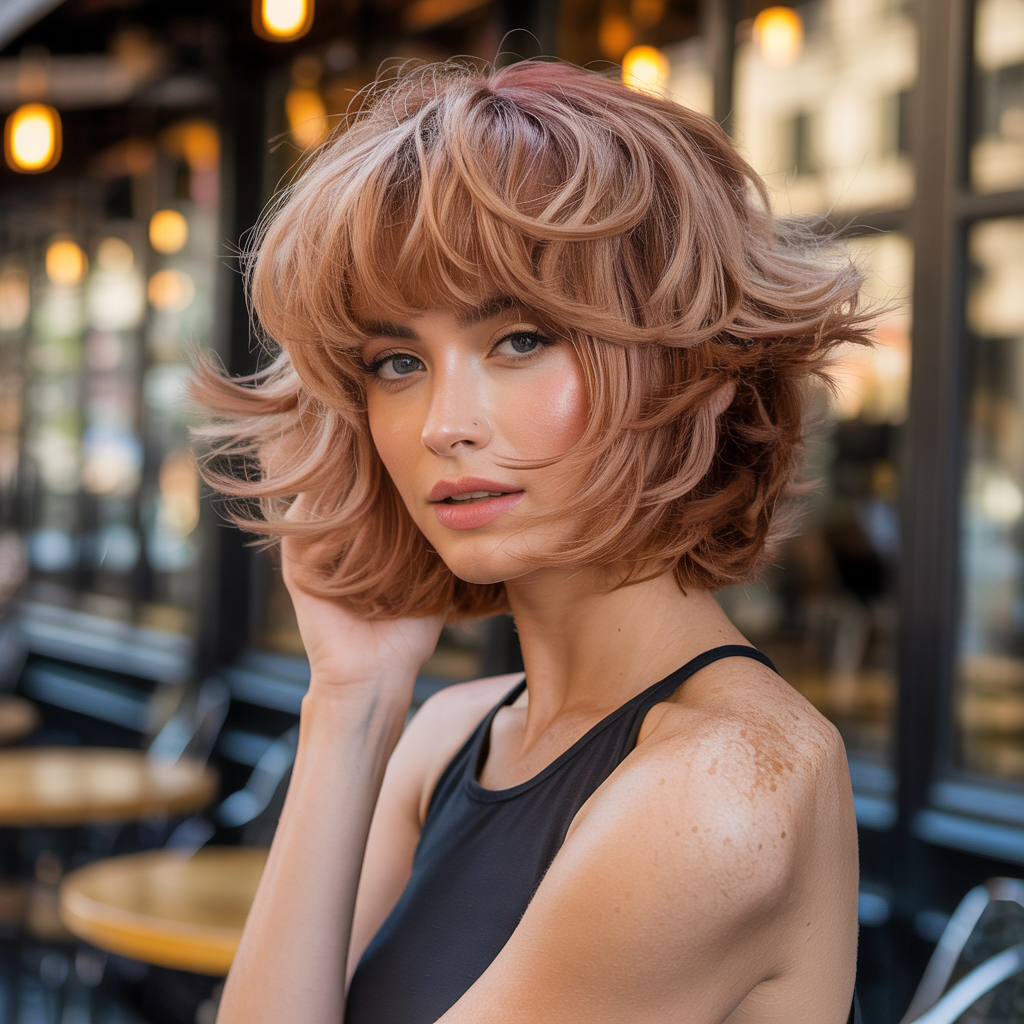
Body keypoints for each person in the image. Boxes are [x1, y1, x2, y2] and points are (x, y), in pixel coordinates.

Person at [194, 58, 870, 1024]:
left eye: (519, 339)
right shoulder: (445, 737)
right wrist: (351, 699)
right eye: (397, 361)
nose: (443, 423)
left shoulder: (722, 786)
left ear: (701, 366)